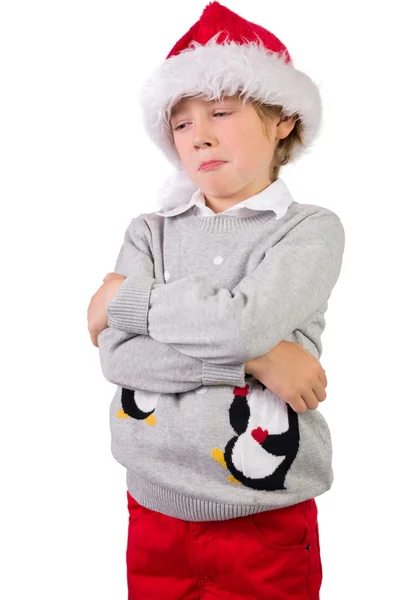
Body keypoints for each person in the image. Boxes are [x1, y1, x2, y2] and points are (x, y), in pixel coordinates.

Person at [87, 2, 345, 598]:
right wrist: (255, 361)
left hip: (261, 514)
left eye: (222, 112)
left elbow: (240, 324)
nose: (198, 134)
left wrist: (124, 296)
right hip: (152, 505)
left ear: (281, 120)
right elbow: (120, 360)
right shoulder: (149, 231)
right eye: (180, 124)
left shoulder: (308, 229)